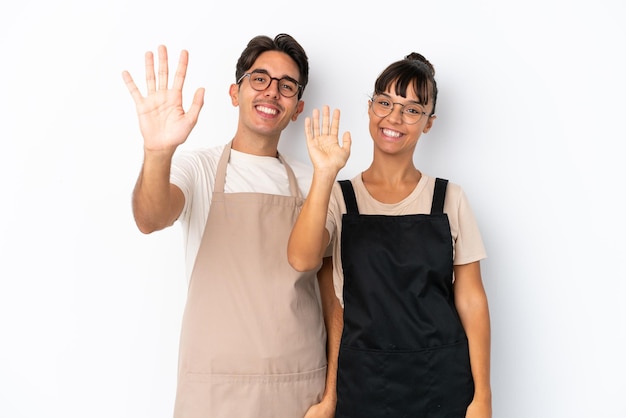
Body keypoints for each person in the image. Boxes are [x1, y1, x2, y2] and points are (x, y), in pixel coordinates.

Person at [122, 34, 340, 418]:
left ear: (298, 106)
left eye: (286, 86)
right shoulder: (198, 168)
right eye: (260, 79)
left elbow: (331, 297)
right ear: (235, 93)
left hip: (299, 389)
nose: (272, 92)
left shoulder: (317, 180)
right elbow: (150, 217)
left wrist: (331, 395)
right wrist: (157, 153)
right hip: (212, 393)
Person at [288, 53, 492, 417]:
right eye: (385, 103)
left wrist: (482, 397)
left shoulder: (449, 199)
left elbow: (472, 302)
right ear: (370, 108)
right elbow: (304, 262)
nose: (394, 118)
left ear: (429, 123)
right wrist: (324, 174)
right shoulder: (339, 196)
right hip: (364, 380)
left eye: (412, 109)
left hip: (442, 379)